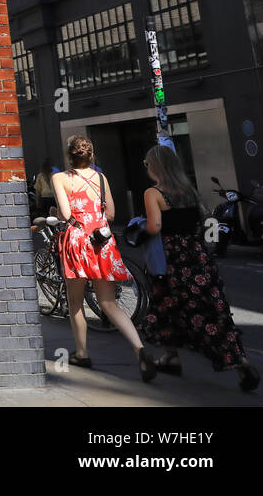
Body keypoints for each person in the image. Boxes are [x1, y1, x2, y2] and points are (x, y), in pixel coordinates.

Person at [137, 145, 259, 392]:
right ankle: (237, 361)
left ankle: (176, 356)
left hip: (171, 260)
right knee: (211, 310)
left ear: (156, 167)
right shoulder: (189, 190)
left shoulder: (154, 193)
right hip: (197, 256)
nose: (147, 168)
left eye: (147, 164)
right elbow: (200, 222)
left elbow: (155, 227)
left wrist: (138, 230)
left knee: (167, 305)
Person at [51, 134, 159, 379]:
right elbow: (110, 214)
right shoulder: (101, 177)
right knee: (109, 303)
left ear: (69, 155)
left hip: (77, 242)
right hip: (103, 241)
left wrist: (55, 212)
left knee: (75, 303)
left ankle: (82, 353)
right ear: (90, 155)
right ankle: (140, 349)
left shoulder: (60, 178)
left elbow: (66, 215)